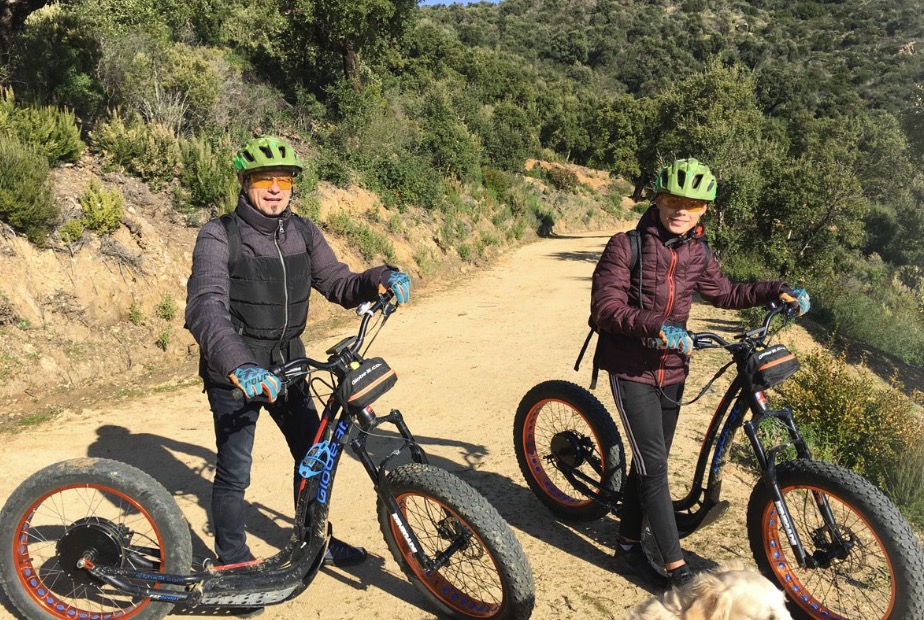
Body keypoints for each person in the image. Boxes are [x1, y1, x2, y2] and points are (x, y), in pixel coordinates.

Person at [185, 136, 411, 571]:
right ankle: (233, 559)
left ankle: (314, 543)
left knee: (314, 455)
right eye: (264, 179)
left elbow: (339, 282)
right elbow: (205, 306)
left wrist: (380, 276)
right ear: (244, 181)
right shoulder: (219, 234)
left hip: (290, 363)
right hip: (237, 370)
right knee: (235, 468)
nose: (275, 188)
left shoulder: (303, 231)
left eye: (284, 179)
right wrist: (239, 366)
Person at [590, 158, 809, 589]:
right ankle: (678, 574)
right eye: (674, 199)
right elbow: (605, 309)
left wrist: (773, 290)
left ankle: (628, 546)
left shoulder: (698, 250)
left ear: (705, 208)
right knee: (654, 467)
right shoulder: (625, 245)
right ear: (658, 199)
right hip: (630, 368)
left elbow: (725, 293)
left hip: (673, 370)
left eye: (692, 203)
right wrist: (655, 326)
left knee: (650, 462)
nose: (681, 210)